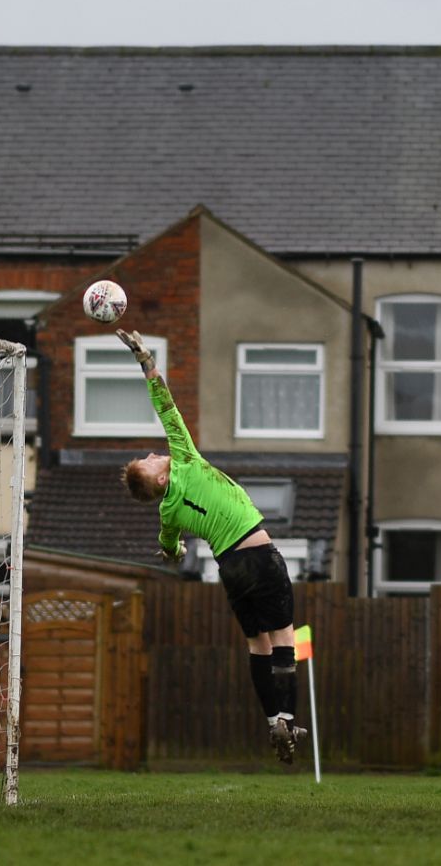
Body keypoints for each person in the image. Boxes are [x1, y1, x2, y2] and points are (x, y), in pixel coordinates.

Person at [115, 328, 308, 765]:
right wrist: (145, 359)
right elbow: (165, 404)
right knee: (284, 639)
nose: (152, 454)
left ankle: (269, 718)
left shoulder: (167, 514)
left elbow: (171, 549)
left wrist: (177, 553)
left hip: (230, 570)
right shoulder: (183, 459)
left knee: (256, 646)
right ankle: (289, 718)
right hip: (258, 554)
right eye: (148, 463)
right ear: (161, 479)